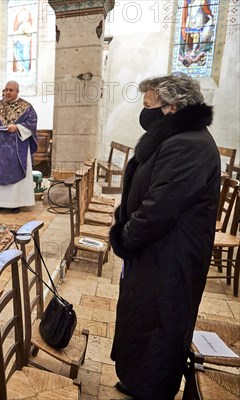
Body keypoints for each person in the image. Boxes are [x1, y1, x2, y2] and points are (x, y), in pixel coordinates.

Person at [108, 73, 220, 399]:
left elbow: (159, 207)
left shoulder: (189, 145)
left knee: (161, 320)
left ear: (171, 108)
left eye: (149, 105)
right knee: (141, 315)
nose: (144, 112)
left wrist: (126, 236)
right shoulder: (174, 138)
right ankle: (136, 378)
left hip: (171, 255)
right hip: (153, 252)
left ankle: (152, 388)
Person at [0, 81, 37, 214]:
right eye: (6, 90)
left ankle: (15, 203)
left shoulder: (27, 107)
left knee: (15, 173)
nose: (7, 92)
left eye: (10, 90)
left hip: (17, 149)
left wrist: (17, 127)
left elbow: (32, 123)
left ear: (17, 92)